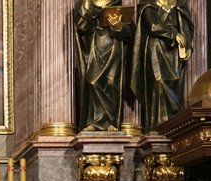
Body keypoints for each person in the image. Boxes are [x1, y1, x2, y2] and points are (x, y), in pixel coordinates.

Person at [131, 0, 193, 132]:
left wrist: (188, 47)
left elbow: (186, 29)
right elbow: (153, 26)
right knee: (158, 83)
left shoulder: (180, 5)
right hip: (156, 49)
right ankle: (157, 127)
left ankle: (172, 127)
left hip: (175, 54)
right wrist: (173, 34)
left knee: (176, 87)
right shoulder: (148, 4)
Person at [74, 0, 132, 132]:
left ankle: (111, 122)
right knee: (92, 81)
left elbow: (128, 33)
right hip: (95, 46)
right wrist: (86, 5)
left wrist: (118, 26)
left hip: (113, 46)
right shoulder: (87, 4)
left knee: (111, 82)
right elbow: (82, 27)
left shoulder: (116, 3)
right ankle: (93, 122)